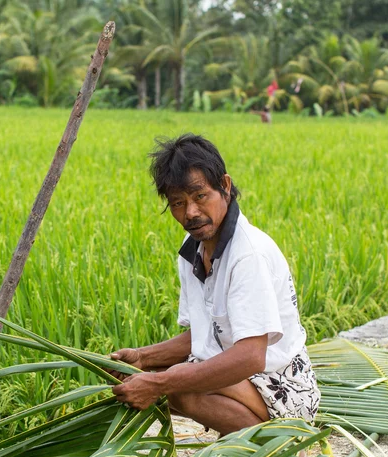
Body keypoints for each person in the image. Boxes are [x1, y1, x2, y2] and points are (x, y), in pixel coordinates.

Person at [110, 134, 320, 437]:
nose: (190, 213)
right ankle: (239, 432)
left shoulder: (248, 254)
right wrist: (143, 358)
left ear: (225, 186)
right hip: (244, 376)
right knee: (137, 380)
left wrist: (161, 382)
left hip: (284, 386)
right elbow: (207, 330)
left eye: (200, 196)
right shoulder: (193, 246)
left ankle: (274, 446)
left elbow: (251, 355)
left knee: (178, 387)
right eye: (178, 203)